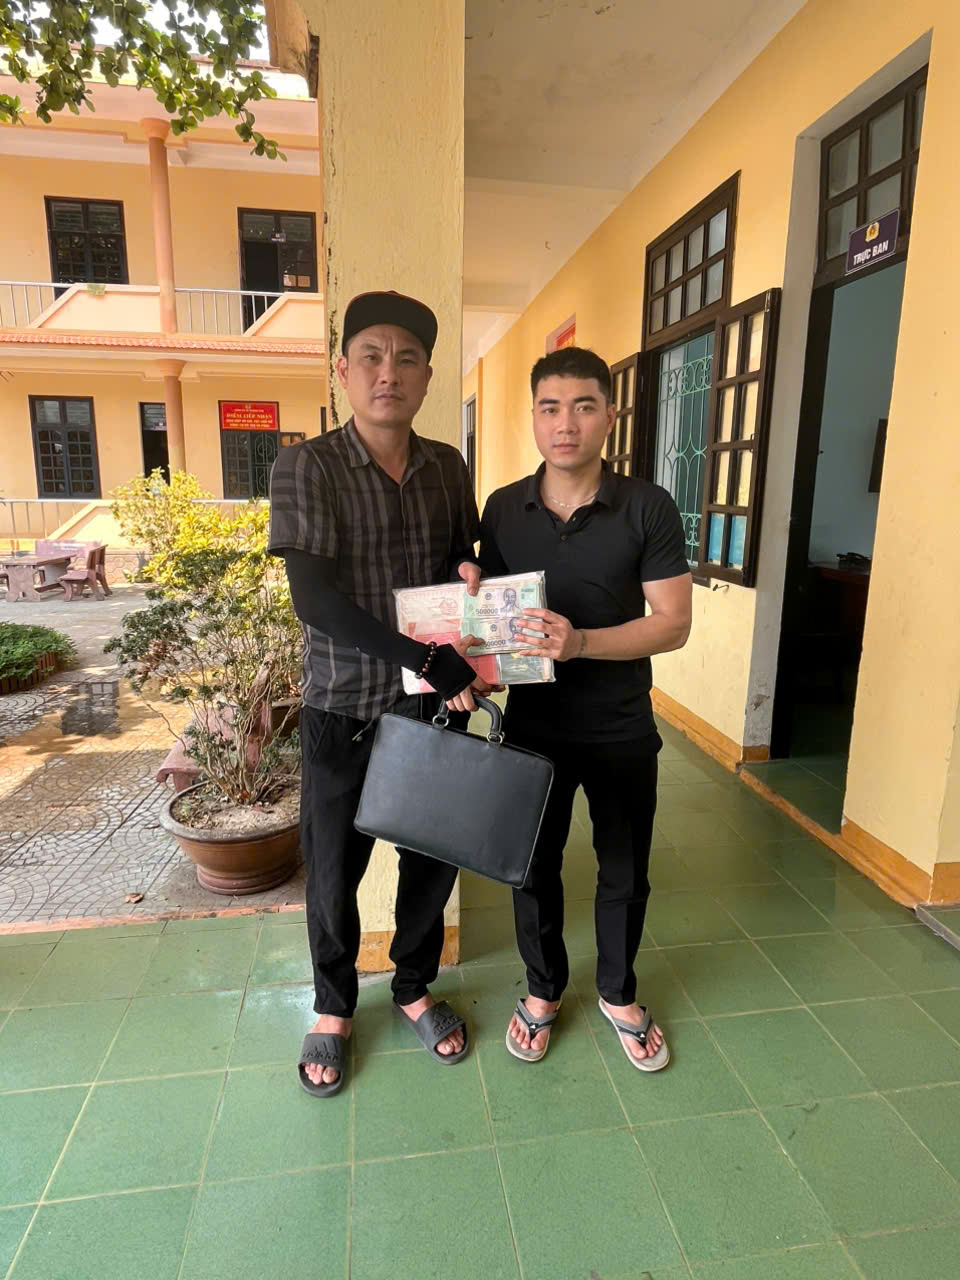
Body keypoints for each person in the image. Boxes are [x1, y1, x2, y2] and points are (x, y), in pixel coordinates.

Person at [268, 290, 490, 1098]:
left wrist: (471, 576)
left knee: (430, 858)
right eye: (371, 356)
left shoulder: (447, 466)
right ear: (343, 371)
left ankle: (413, 985)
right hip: (342, 708)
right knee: (333, 868)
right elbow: (316, 602)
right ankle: (333, 1006)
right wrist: (425, 658)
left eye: (406, 358)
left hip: (432, 707)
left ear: (427, 376)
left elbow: (459, 558)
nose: (387, 372)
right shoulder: (308, 466)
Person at [477, 346, 692, 1070]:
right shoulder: (504, 508)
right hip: (532, 724)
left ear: (609, 415)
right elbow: (493, 615)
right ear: (534, 417)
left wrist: (582, 644)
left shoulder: (647, 506)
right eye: (550, 407)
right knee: (532, 865)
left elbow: (673, 624)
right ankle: (542, 990)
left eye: (582, 406)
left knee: (624, 867)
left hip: (620, 724)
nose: (565, 423)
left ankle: (618, 993)